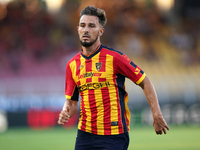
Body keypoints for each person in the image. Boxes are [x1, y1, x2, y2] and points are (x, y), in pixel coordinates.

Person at [58, 6, 169, 150]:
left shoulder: (115, 58)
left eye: (91, 26)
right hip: (84, 135)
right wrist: (65, 111)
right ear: (78, 29)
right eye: (83, 25)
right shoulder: (72, 65)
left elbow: (145, 81)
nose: (86, 30)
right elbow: (72, 103)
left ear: (101, 31)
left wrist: (157, 114)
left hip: (113, 134)